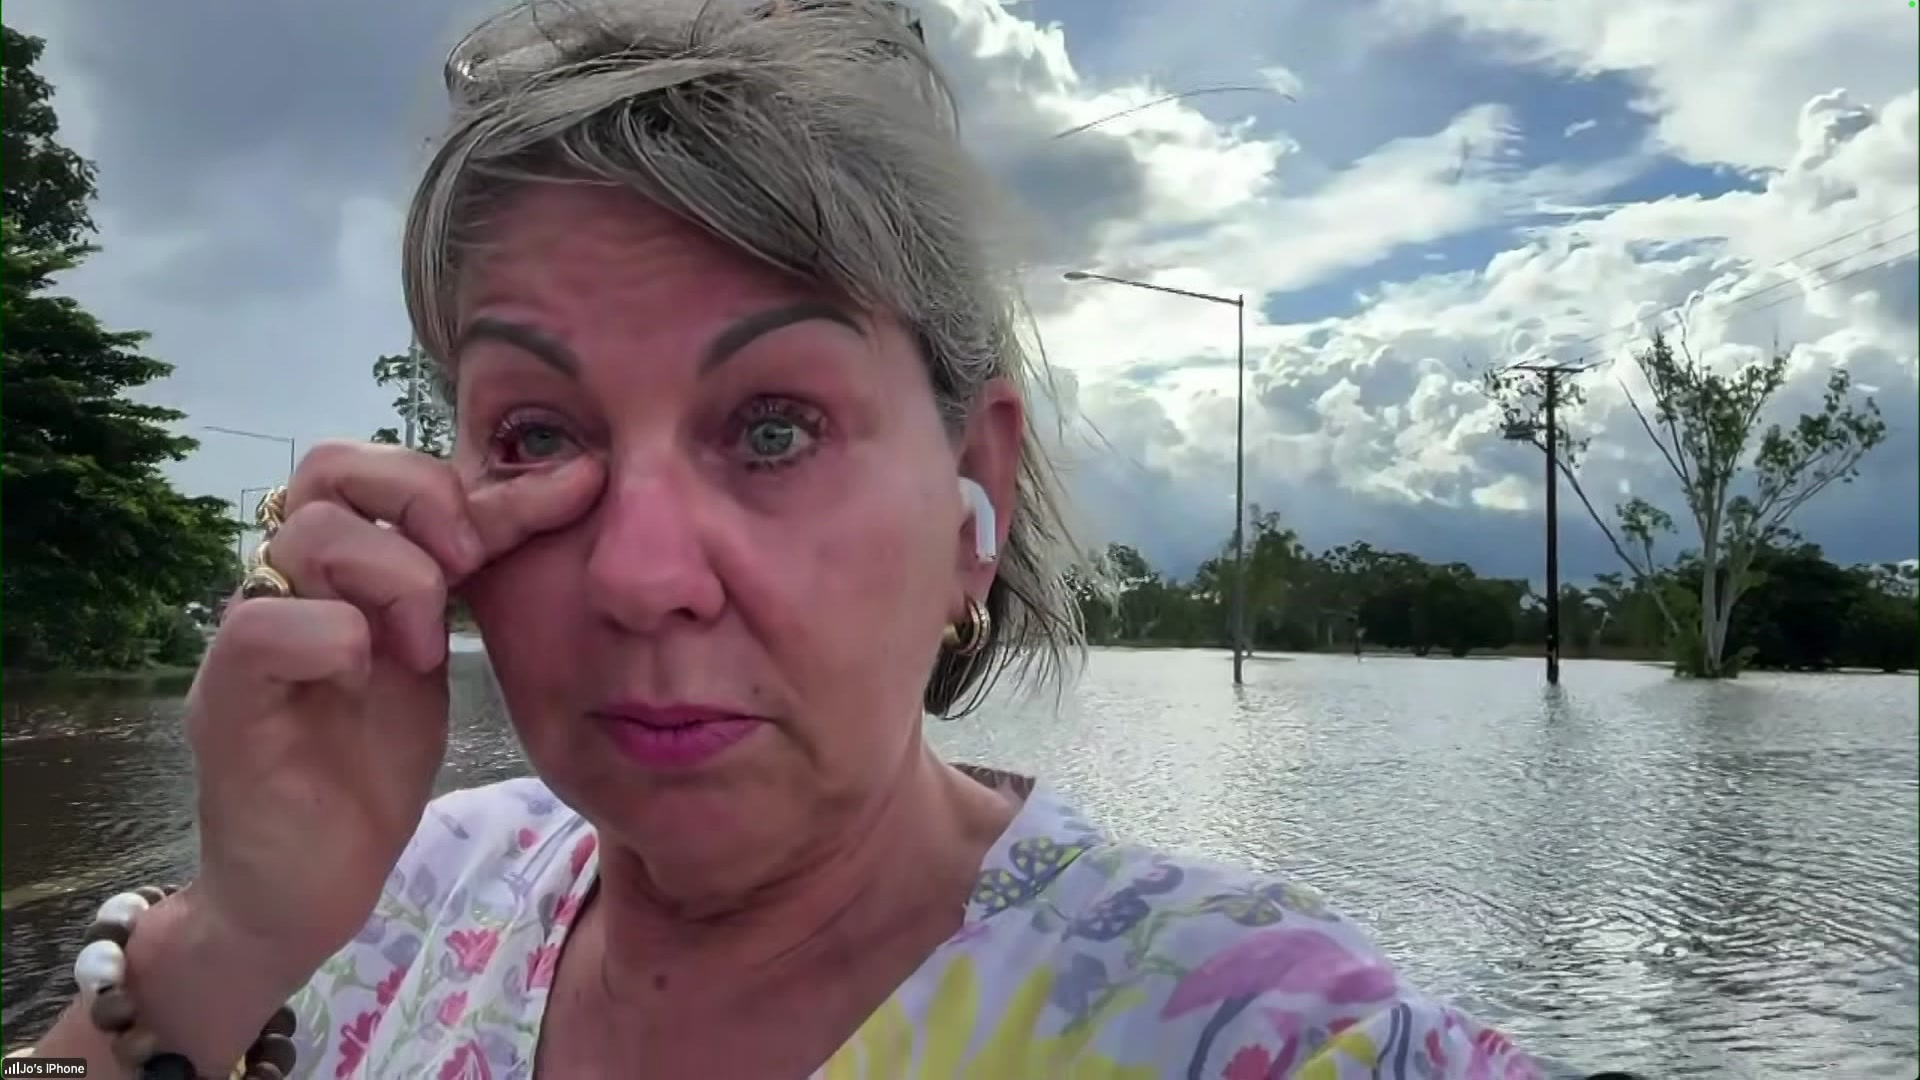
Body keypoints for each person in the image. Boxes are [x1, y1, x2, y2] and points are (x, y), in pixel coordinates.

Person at [20, 1, 1546, 1076]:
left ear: (975, 497)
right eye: (537, 436)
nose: (639, 575)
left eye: (773, 430)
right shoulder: (396, 897)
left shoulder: (1243, 1027)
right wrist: (231, 939)